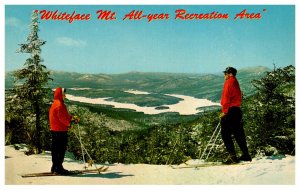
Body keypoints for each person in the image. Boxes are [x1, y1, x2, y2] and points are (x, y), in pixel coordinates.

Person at [220, 67, 252, 164]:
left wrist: (224, 111)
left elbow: (225, 99)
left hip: (230, 111)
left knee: (225, 134)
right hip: (237, 110)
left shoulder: (229, 82)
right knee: (239, 133)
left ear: (230, 74)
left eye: (225, 73)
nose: (224, 75)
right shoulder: (235, 82)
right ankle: (246, 154)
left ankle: (232, 157)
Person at [49, 87, 79, 174]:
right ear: (60, 94)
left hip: (55, 130)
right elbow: (63, 119)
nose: (65, 95)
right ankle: (58, 168)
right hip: (60, 131)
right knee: (60, 150)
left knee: (55, 149)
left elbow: (64, 116)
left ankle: (55, 167)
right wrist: (70, 123)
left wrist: (71, 118)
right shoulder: (59, 105)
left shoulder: (56, 103)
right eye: (63, 94)